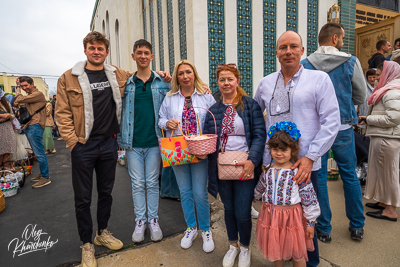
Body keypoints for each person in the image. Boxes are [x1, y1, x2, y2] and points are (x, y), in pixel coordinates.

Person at [254, 31, 340, 267]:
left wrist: (311, 156)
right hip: (274, 163)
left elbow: (331, 121)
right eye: (283, 47)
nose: (288, 51)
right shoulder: (265, 83)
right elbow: (256, 120)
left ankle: (309, 263)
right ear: (276, 53)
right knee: (280, 221)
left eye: (294, 46)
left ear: (303, 51)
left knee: (306, 218)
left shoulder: (319, 79)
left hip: (305, 164)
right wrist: (263, 158)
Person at [56, 31, 131, 267]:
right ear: (85, 50)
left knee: (106, 193)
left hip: (109, 143)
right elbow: (62, 113)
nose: (96, 51)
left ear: (106, 52)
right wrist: (72, 142)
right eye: (92, 48)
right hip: (83, 145)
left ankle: (103, 232)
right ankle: (87, 244)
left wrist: (162, 74)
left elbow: (138, 75)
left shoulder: (116, 73)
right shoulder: (68, 78)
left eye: (100, 48)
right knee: (83, 197)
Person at [301, 22, 366, 242]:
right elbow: (360, 96)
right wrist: (345, 105)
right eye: (343, 37)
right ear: (335, 39)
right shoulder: (351, 61)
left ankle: (324, 227)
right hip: (342, 127)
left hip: (316, 129)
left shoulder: (305, 64)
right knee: (349, 175)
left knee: (319, 178)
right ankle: (357, 226)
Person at [203, 63, 266, 267]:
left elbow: (259, 135)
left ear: (237, 81)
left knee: (242, 211)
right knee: (228, 208)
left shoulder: (250, 105)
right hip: (222, 167)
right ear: (218, 83)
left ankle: (245, 248)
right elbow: (209, 139)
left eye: (230, 79)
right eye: (222, 80)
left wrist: (253, 161)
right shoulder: (213, 110)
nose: (226, 83)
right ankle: (233, 246)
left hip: (245, 166)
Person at [158, 59, 216, 252]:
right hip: (178, 150)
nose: (185, 76)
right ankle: (191, 227)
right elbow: (160, 118)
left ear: (194, 74)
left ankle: (206, 230)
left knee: (200, 192)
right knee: (185, 192)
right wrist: (168, 123)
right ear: (177, 77)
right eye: (181, 73)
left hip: (200, 150)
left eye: (188, 72)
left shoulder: (206, 95)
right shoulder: (170, 97)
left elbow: (214, 117)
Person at [118, 39, 170, 245]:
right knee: (137, 184)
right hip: (132, 143)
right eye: (139, 52)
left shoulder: (163, 82)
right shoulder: (127, 83)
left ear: (151, 56)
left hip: (155, 141)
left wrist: (205, 89)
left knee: (151, 183)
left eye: (146, 52)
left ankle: (153, 220)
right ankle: (140, 221)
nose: (142, 56)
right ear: (133, 56)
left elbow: (185, 84)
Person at [254, 122, 320, 267]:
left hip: (291, 219)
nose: (279, 153)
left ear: (293, 151)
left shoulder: (297, 172)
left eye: (284, 150)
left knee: (297, 253)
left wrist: (310, 222)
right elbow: (261, 186)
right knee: (275, 249)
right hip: (271, 217)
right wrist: (255, 197)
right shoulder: (268, 170)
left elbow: (309, 198)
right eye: (275, 149)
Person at [361, 61, 400, 222]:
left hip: (387, 138)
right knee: (382, 173)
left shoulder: (392, 92)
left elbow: (394, 117)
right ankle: (384, 202)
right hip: (383, 136)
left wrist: (369, 119)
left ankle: (390, 210)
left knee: (389, 174)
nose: (377, 78)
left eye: (379, 74)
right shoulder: (387, 90)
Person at [14, 76, 50, 188]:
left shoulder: (37, 94)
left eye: (26, 85)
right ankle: (43, 174)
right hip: (32, 125)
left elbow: (18, 100)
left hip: (35, 126)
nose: (24, 88)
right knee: (38, 152)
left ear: (32, 84)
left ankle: (45, 177)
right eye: (22, 86)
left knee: (39, 153)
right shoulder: (31, 95)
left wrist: (18, 89)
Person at [0, 89, 16, 168]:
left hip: (7, 128)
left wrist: (8, 116)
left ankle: (6, 172)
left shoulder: (5, 103)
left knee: (7, 151)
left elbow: (13, 115)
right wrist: (1, 116)